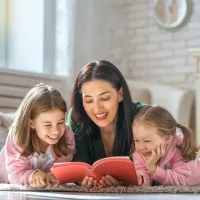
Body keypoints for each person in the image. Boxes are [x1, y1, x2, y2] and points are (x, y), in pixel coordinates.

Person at [67, 60, 146, 187]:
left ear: (120, 94)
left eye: (104, 98)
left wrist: (127, 182)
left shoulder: (143, 115)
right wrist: (83, 180)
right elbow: (77, 164)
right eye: (88, 100)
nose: (97, 108)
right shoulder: (77, 116)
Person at [0, 83, 75, 187]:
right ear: (32, 123)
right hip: (5, 179)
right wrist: (33, 175)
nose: (56, 131)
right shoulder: (18, 135)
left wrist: (52, 175)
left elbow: (61, 167)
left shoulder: (67, 136)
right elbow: (15, 174)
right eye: (48, 125)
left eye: (60, 122)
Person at [132, 105, 200, 186]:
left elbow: (181, 181)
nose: (141, 147)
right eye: (136, 140)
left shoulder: (180, 148)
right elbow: (144, 175)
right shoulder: (140, 153)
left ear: (167, 138)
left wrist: (154, 169)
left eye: (147, 141)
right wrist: (140, 179)